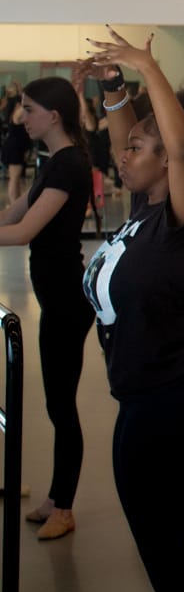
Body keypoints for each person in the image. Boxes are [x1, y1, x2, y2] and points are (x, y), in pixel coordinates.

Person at [82, 26, 184, 592]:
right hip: (148, 388)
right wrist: (113, 87)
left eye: (137, 150)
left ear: (168, 161)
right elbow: (135, 141)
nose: (122, 157)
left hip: (179, 389)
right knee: (159, 526)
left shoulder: (182, 221)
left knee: (160, 531)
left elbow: (182, 150)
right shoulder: (144, 207)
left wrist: (148, 67)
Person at [0, 77, 95, 540]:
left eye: (29, 108)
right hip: (54, 298)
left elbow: (23, 233)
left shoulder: (70, 165)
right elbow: (12, 214)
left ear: (54, 116)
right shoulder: (53, 161)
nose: (22, 117)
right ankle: (57, 498)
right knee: (56, 403)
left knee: (62, 406)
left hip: (67, 302)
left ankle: (65, 506)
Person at [3, 80, 33, 206]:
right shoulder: (16, 116)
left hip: (15, 147)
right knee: (14, 179)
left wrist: (20, 89)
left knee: (16, 179)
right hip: (14, 148)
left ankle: (15, 203)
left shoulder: (15, 115)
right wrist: (21, 92)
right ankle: (13, 204)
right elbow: (24, 104)